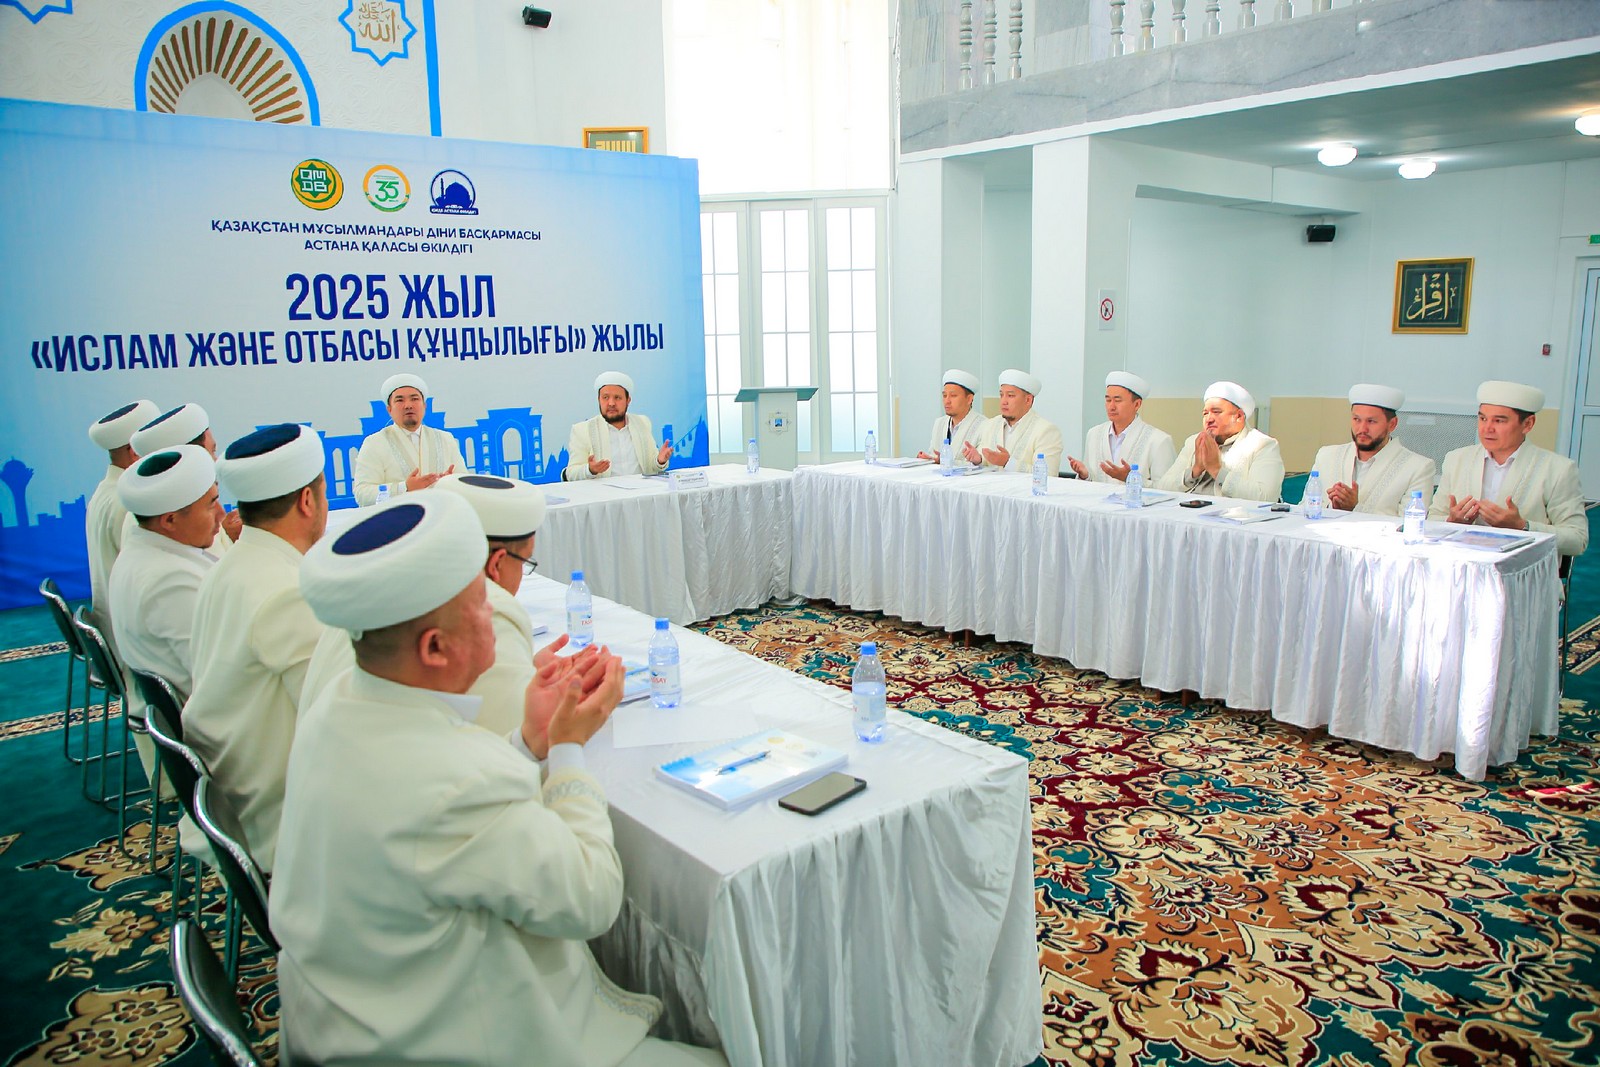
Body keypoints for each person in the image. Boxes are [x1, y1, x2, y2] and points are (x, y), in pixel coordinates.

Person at [275, 492, 725, 1066]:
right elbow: (591, 897)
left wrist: (528, 740)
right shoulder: (454, 777)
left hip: (349, 1023)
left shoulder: (336, 708)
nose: (497, 614)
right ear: (435, 647)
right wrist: (566, 748)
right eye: (480, 605)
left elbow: (452, 822)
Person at [183, 424, 329, 873]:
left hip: (234, 789)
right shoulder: (286, 591)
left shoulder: (230, 566)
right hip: (278, 816)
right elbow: (340, 718)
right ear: (308, 501)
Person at [435, 473, 574, 735]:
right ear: (496, 563)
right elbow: (521, 736)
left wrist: (524, 668)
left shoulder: (423, 587)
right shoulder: (489, 615)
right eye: (524, 562)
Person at [107, 445, 222, 698]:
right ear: (170, 520)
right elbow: (219, 679)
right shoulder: (169, 582)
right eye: (211, 505)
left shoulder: (141, 553)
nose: (221, 514)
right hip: (210, 716)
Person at [1430, 380, 1588, 557]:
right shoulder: (1457, 459)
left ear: (1528, 424)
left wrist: (1522, 526)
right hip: (1461, 564)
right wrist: (1452, 522)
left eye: (1499, 421)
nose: (1487, 428)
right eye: (1483, 419)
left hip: (1522, 569)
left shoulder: (1557, 469)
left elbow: (1577, 540)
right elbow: (1431, 520)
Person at [1310, 384, 1435, 517]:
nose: (1362, 429)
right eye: (1357, 419)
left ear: (1392, 424)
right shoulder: (1327, 456)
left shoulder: (1418, 467)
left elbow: (1410, 523)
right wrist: (1333, 507)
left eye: (1371, 421)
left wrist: (1355, 508)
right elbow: (1304, 508)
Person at [130, 402, 242, 549]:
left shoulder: (148, 511)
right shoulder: (183, 520)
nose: (216, 461)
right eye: (212, 451)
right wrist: (230, 537)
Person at [85, 398, 159, 619]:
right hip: (128, 626)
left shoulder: (104, 492)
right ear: (135, 451)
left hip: (114, 619)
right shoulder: (128, 502)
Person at [1155, 381, 1284, 502]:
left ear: (1239, 416)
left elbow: (1265, 497)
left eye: (1216, 412)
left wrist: (1217, 470)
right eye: (1205, 413)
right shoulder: (1194, 441)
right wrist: (1195, 470)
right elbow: (1161, 488)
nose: (1209, 419)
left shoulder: (1262, 445)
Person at [352, 373, 464, 505]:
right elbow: (362, 493)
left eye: (414, 399)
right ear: (389, 409)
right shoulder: (374, 443)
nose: (408, 405)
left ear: (424, 406)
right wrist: (404, 488)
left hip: (443, 514)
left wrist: (451, 483)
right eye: (400, 400)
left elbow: (464, 482)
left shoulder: (445, 438)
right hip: (400, 517)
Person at [1067, 371, 1176, 484]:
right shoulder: (1094, 434)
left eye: (1118, 400)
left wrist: (1129, 478)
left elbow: (1166, 488)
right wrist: (1085, 476)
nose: (1111, 406)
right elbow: (1091, 483)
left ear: (1137, 404)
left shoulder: (1159, 441)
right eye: (1108, 400)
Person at [565, 371, 673, 480]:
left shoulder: (642, 423)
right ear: (599, 400)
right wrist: (590, 470)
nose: (611, 403)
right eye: (605, 397)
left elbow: (651, 468)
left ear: (628, 400)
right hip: (604, 490)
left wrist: (660, 461)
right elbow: (570, 474)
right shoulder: (582, 430)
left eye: (617, 398)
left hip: (641, 489)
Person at [962, 368, 1064, 476]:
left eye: (1010, 396)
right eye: (1001, 395)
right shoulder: (991, 424)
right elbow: (985, 462)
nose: (1003, 401)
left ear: (1028, 400)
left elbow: (1048, 475)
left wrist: (1008, 463)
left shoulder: (1046, 431)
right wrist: (978, 459)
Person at [916, 369, 988, 465]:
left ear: (969, 399)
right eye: (944, 395)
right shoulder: (939, 423)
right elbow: (933, 455)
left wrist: (978, 460)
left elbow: (985, 464)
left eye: (953, 395)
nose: (947, 401)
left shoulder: (985, 425)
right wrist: (928, 459)